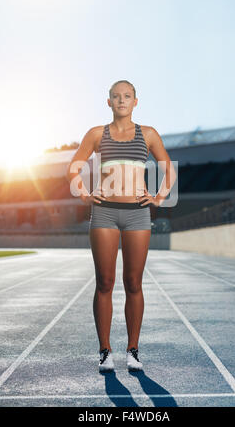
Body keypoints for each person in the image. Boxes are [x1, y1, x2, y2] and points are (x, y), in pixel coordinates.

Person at [67, 80, 176, 372]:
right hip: (104, 213)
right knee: (104, 282)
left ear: (135, 101)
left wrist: (159, 197)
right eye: (116, 96)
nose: (122, 100)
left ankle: (133, 350)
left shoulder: (148, 134)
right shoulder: (96, 134)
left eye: (127, 96)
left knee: (133, 283)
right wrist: (86, 194)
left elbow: (168, 166)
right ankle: (105, 350)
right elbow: (74, 167)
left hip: (138, 215)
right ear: (109, 102)